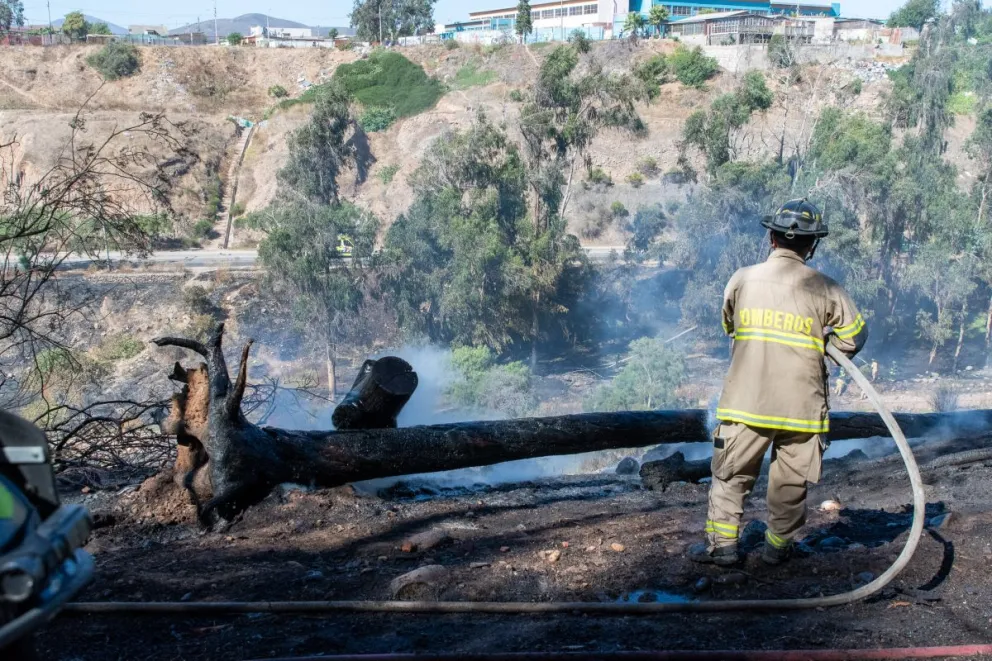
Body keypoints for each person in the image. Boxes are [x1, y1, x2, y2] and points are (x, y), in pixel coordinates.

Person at [689, 199, 868, 567]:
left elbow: (728, 325)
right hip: (801, 409)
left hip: (746, 403)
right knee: (789, 484)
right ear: (812, 245)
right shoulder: (827, 289)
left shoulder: (742, 278)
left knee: (731, 477)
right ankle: (777, 551)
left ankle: (723, 550)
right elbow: (854, 337)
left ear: (771, 238)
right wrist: (824, 346)